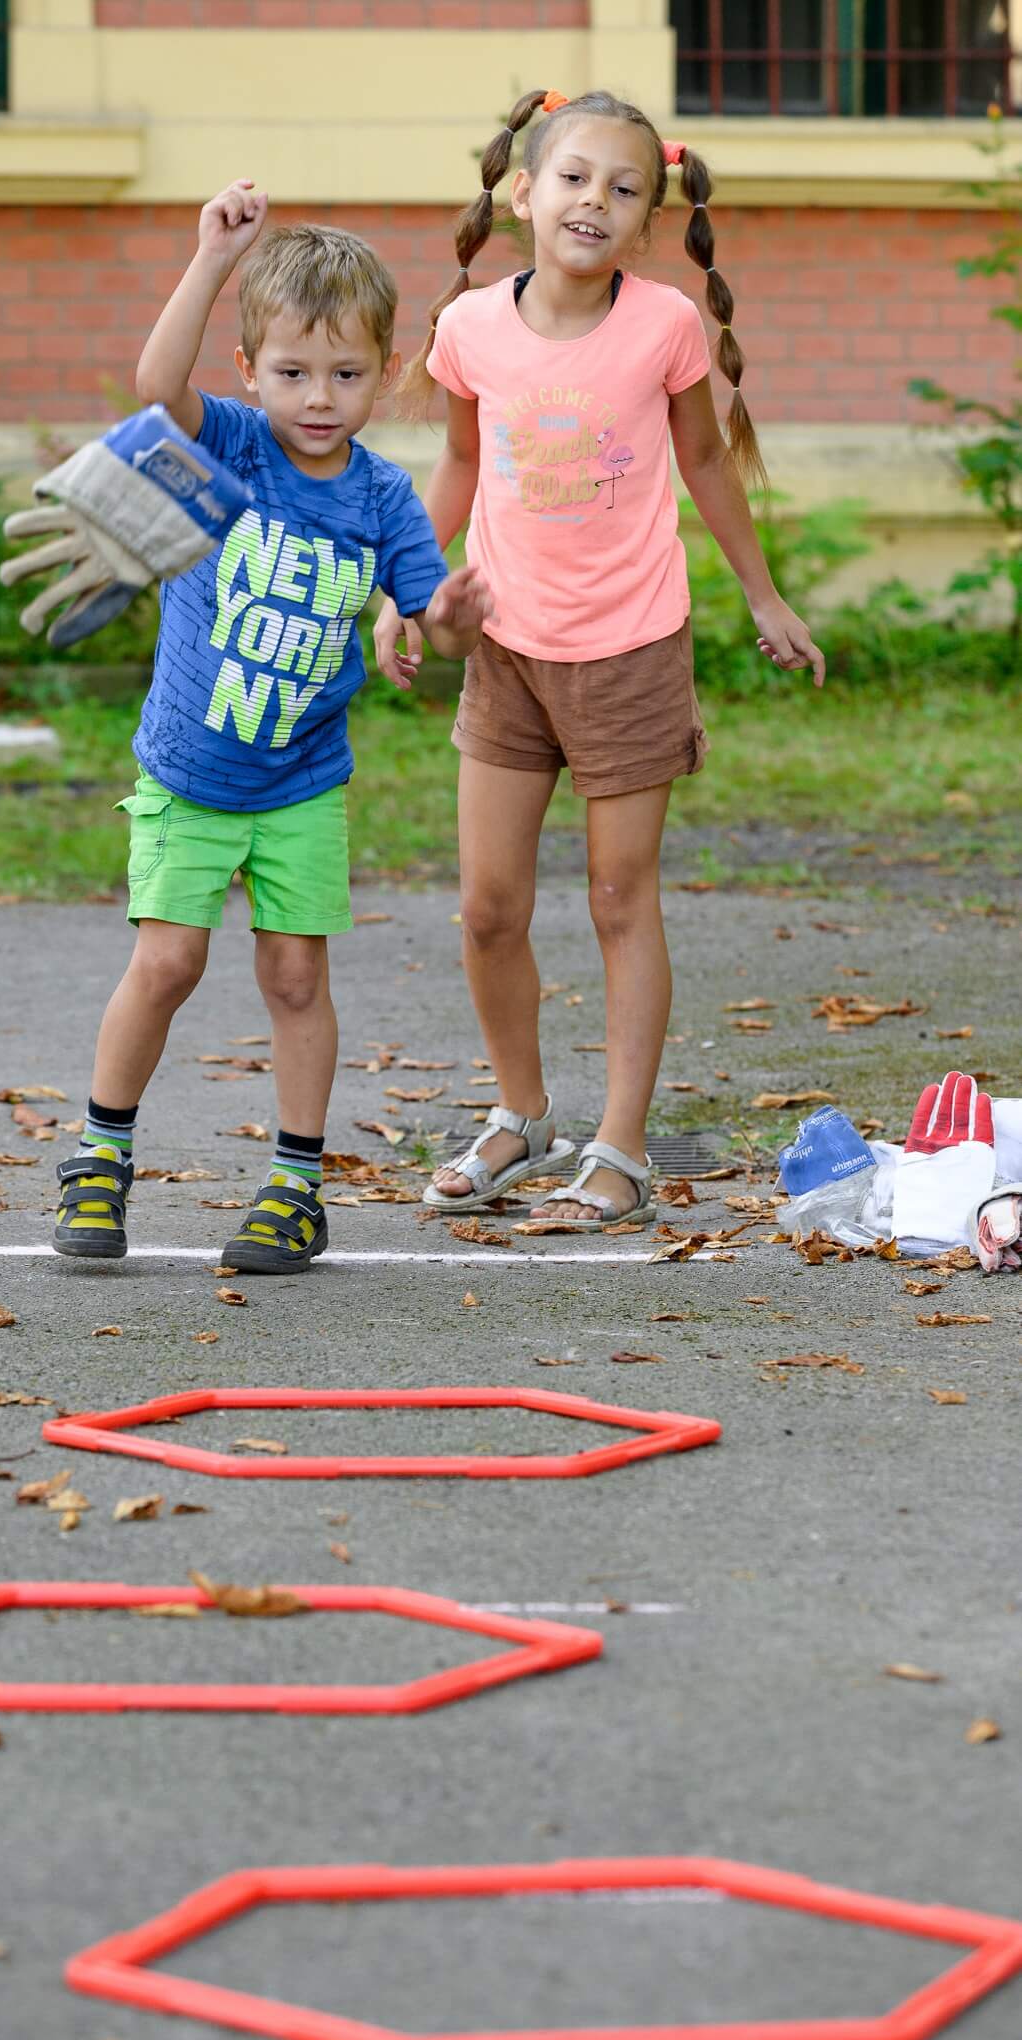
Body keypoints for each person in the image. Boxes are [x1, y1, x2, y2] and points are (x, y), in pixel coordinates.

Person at [375, 89, 825, 1229]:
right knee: (486, 906)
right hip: (506, 649)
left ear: (645, 222)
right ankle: (522, 1116)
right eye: (574, 177)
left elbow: (709, 465)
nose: (595, 201)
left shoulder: (664, 323)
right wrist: (407, 584)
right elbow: (464, 469)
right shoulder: (470, 325)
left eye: (625, 190)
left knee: (622, 899)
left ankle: (618, 1147)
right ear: (524, 190)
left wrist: (762, 595)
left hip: (629, 648)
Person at [54, 180, 492, 1274]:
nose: (318, 397)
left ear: (385, 375)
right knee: (166, 963)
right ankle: (101, 1157)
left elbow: (429, 620)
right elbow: (156, 388)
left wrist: (442, 614)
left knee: (297, 978)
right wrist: (210, 260)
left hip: (302, 781)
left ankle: (295, 1186)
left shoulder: (385, 497)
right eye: (293, 372)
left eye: (346, 374)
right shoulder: (236, 446)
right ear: (251, 371)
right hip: (189, 772)